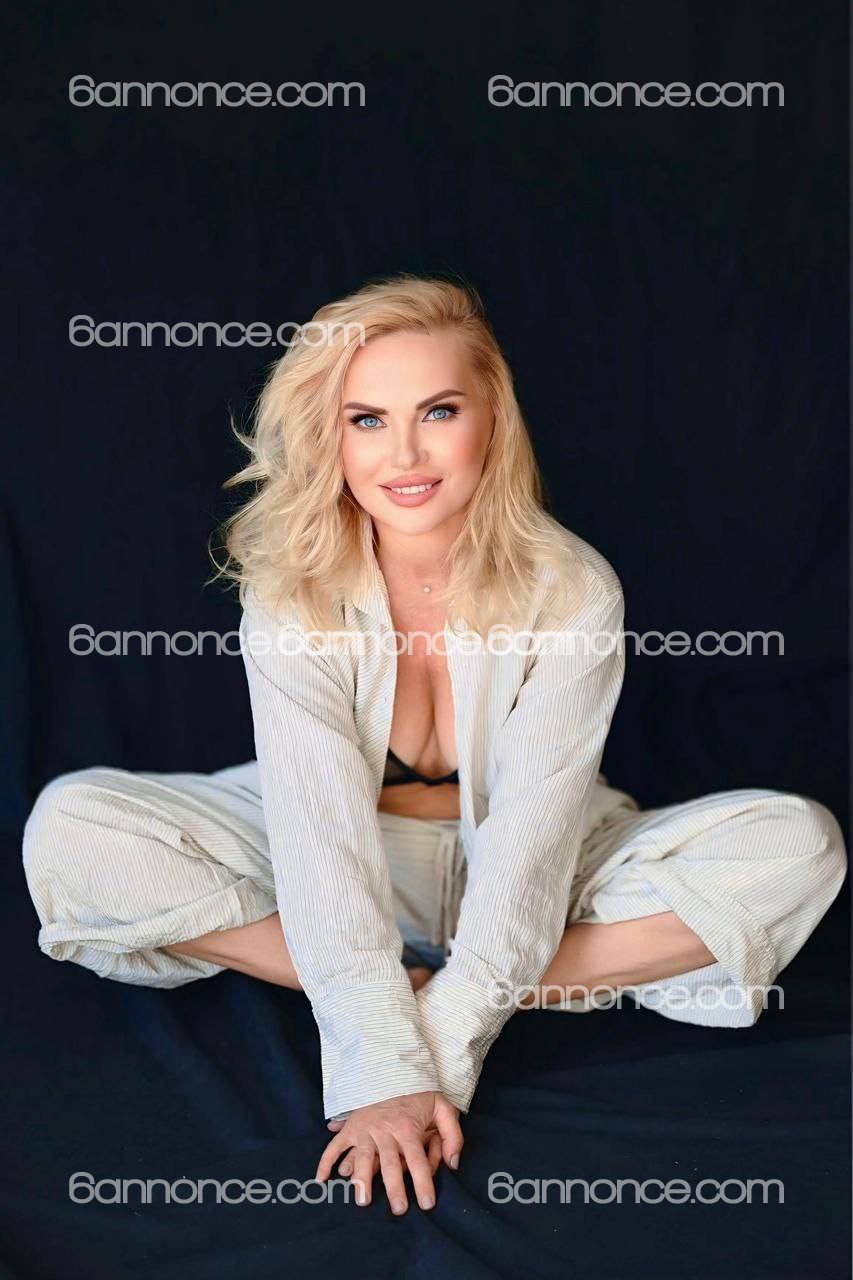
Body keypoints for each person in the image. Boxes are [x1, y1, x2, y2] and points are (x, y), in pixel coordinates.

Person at [21, 275, 848, 1217]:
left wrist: (436, 1043)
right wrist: (378, 1053)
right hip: (333, 860)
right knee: (72, 828)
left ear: (491, 419)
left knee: (798, 844)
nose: (404, 454)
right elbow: (319, 830)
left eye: (438, 412)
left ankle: (445, 988)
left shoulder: (572, 588)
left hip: (539, 871)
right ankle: (403, 982)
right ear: (328, 436)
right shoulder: (290, 589)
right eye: (366, 419)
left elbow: (532, 838)